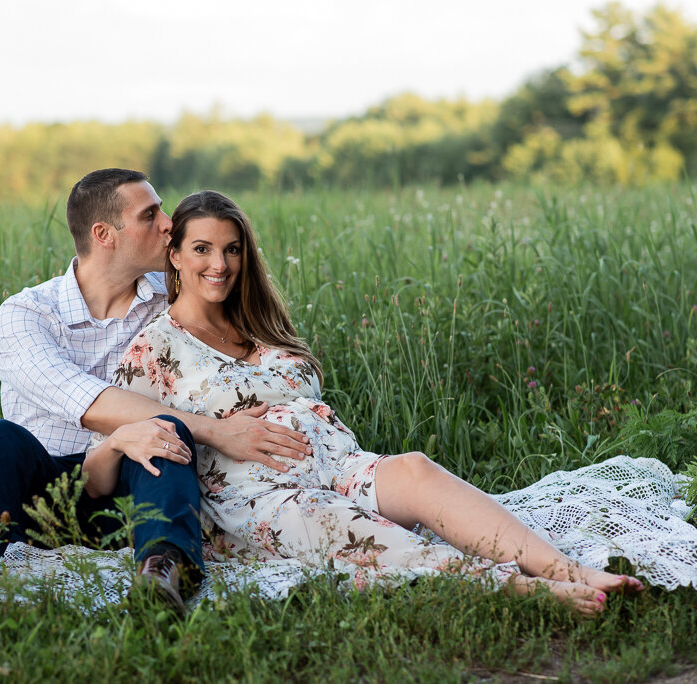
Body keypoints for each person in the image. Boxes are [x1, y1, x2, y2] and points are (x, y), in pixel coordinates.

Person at [95, 190, 645, 614]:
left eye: (232, 249)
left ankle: (567, 569)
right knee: (372, 535)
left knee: (416, 470)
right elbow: (118, 450)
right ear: (174, 255)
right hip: (254, 496)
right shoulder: (153, 348)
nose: (220, 264)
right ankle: (520, 589)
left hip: (338, 462)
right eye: (202, 249)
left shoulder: (256, 324)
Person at [0, 170, 311, 612]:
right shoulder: (27, 315)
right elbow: (88, 402)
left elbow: (241, 321)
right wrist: (217, 430)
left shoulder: (169, 298)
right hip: (42, 491)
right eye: (150, 215)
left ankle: (162, 572)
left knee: (162, 431)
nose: (168, 223)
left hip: (133, 489)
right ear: (104, 234)